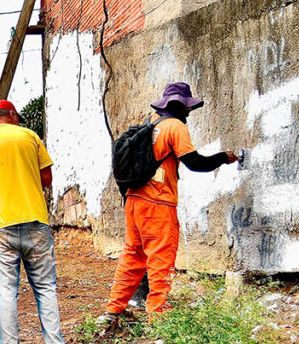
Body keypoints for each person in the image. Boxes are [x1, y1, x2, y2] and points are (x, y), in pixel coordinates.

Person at [99, 82, 238, 322]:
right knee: (160, 257)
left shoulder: (149, 123)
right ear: (181, 106)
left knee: (132, 256)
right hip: (158, 203)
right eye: (188, 108)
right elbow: (195, 163)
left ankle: (114, 309)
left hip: (134, 201)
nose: (189, 112)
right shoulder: (175, 127)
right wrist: (223, 158)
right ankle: (158, 313)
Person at [0, 100, 66, 344]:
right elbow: (46, 178)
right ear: (12, 115)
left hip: (0, 225)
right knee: (46, 287)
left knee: (6, 290)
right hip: (35, 220)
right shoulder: (29, 135)